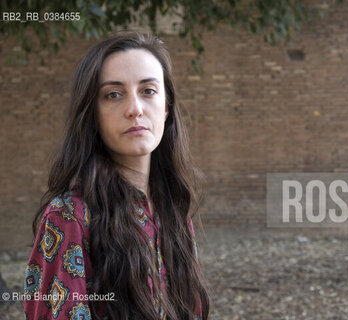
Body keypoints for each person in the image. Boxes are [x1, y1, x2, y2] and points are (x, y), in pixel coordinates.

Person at [23, 32, 210, 320]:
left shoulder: (172, 207)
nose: (134, 109)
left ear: (167, 108)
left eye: (148, 91)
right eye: (113, 94)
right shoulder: (69, 217)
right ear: (92, 115)